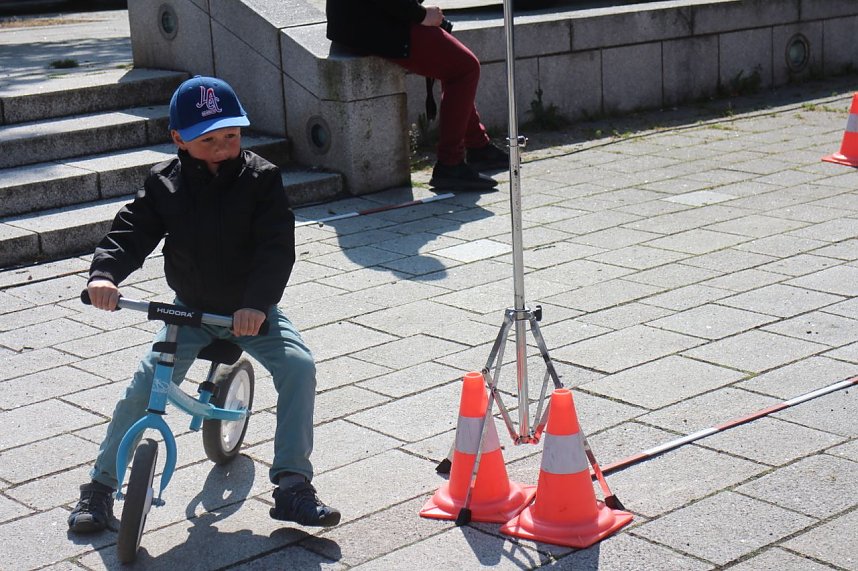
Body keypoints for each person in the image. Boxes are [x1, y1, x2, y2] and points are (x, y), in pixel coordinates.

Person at [67, 76, 340, 533]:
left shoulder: (262, 179)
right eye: (208, 140)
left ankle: (293, 483)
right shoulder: (164, 183)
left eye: (231, 136)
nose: (222, 148)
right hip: (189, 311)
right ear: (179, 139)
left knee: (299, 366)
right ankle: (99, 487)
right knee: (142, 387)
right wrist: (105, 275)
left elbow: (276, 247)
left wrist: (256, 304)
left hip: (250, 312)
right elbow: (132, 231)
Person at [326, 0, 509, 191]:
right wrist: (422, 15)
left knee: (455, 63)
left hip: (361, 23)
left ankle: (477, 146)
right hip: (373, 27)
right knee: (465, 67)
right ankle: (450, 163)